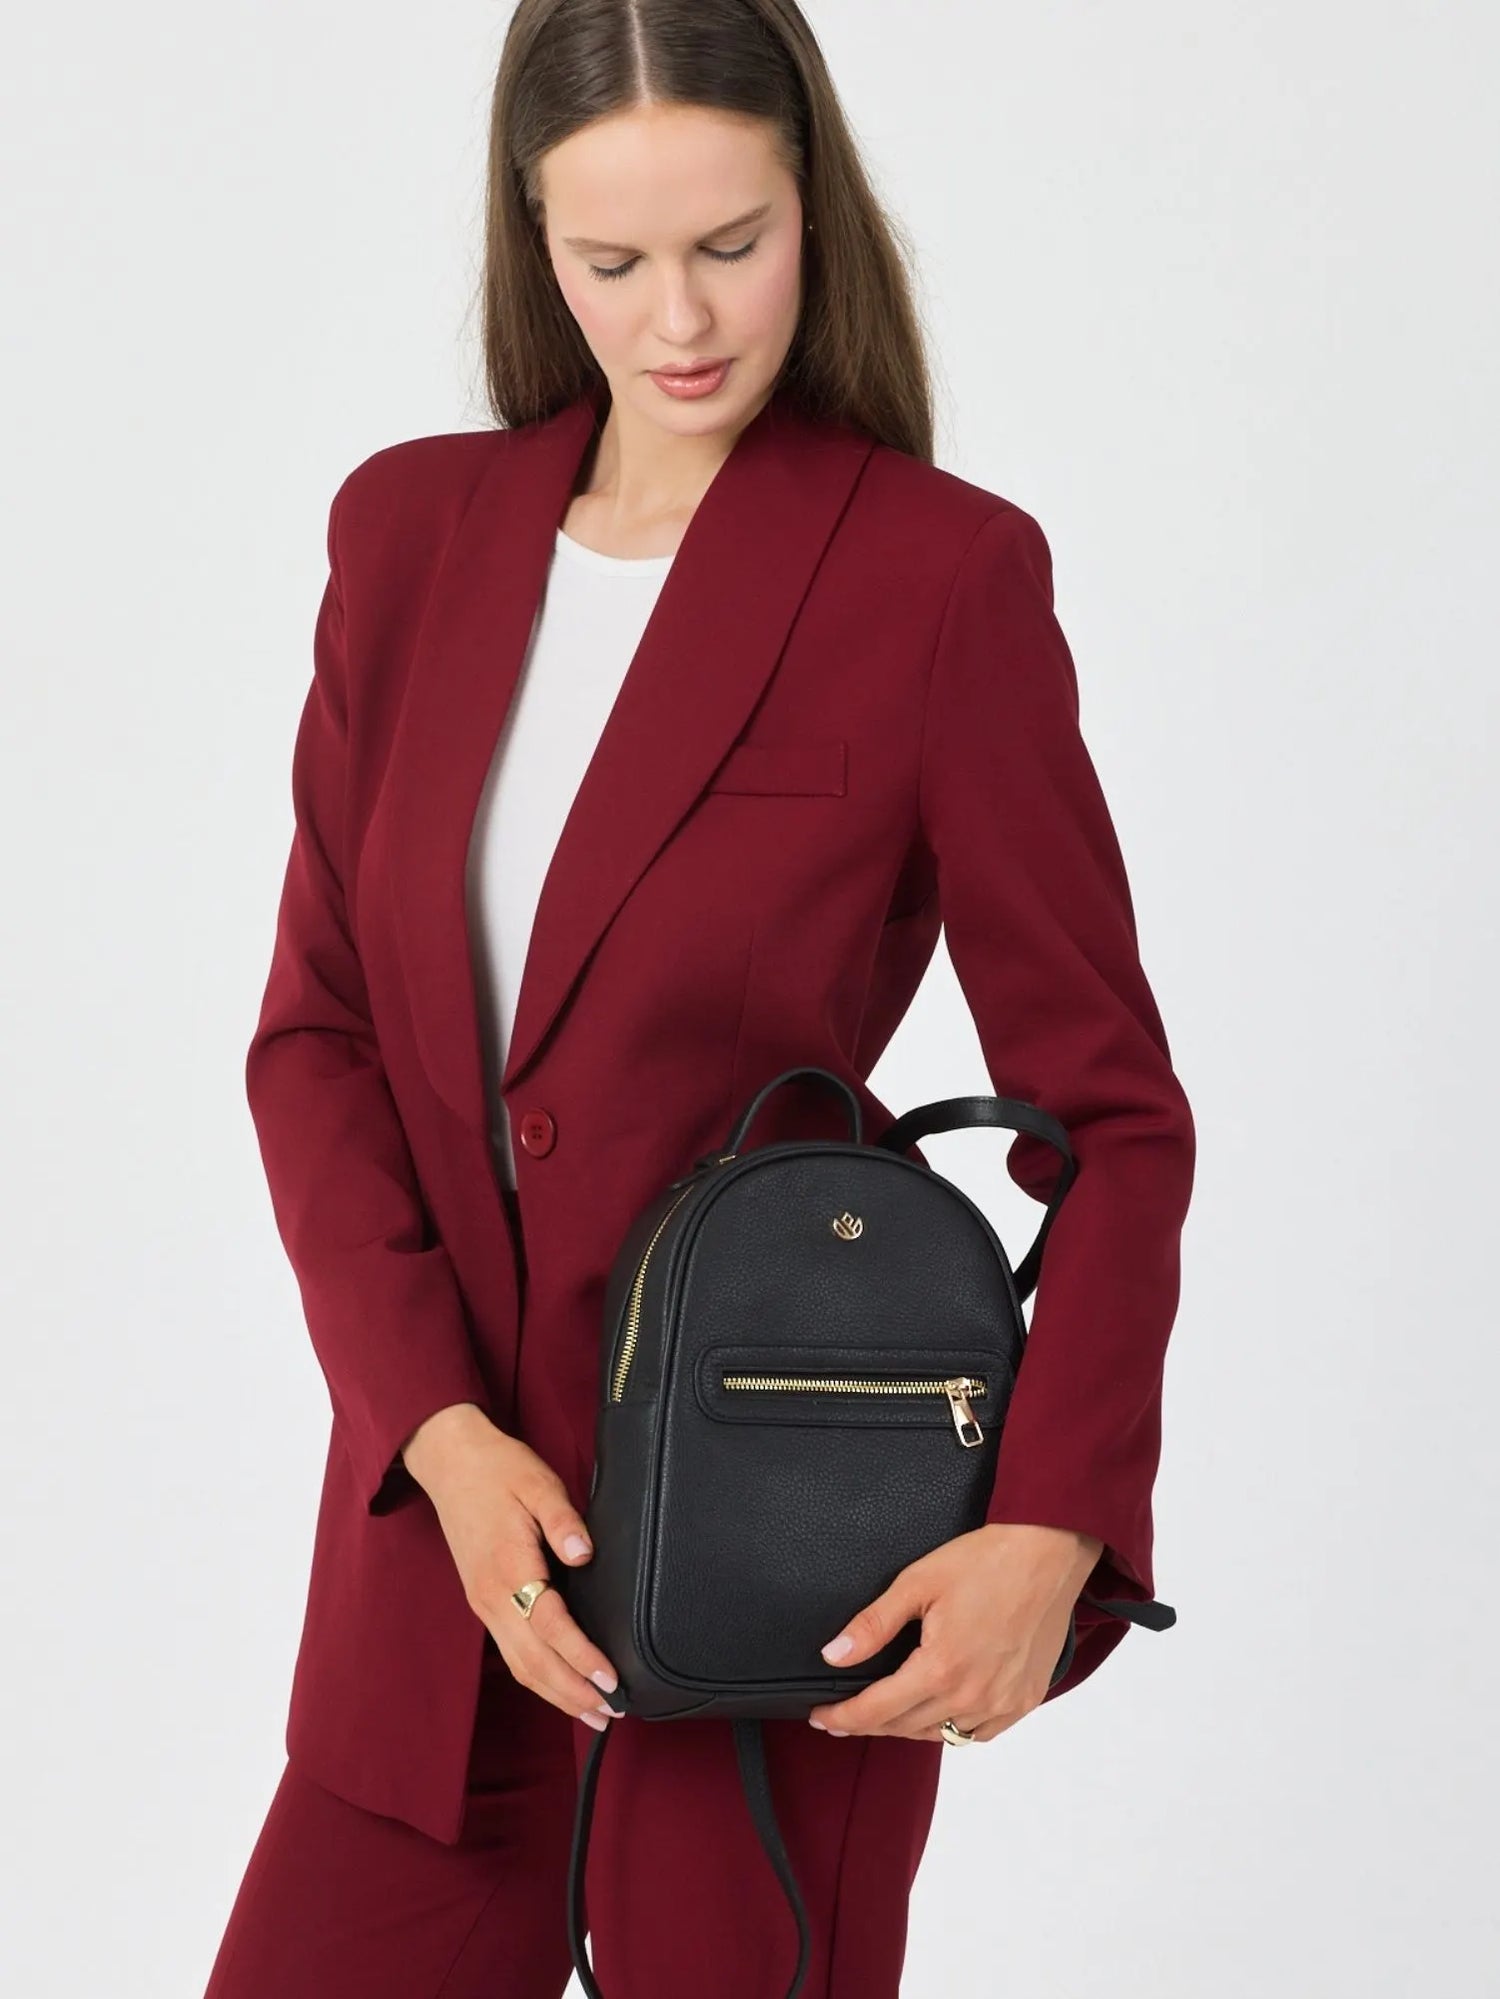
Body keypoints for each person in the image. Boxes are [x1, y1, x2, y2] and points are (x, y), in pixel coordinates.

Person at [203, 2, 1196, 1994]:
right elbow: (318, 1039)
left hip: (782, 1569)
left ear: (813, 205)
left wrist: (1056, 1523)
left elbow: (1113, 1113)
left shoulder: (939, 579)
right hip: (437, 1578)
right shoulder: (405, 537)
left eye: (733, 244)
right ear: (533, 239)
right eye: (614, 259)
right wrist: (438, 1438)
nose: (679, 319)